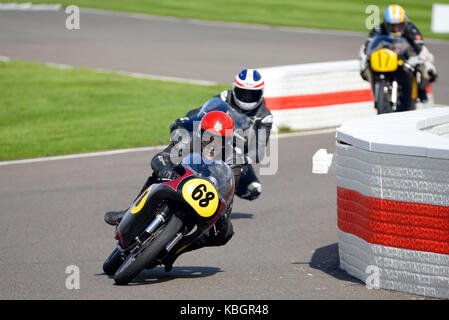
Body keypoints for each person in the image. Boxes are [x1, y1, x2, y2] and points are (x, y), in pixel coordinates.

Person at [170, 68, 273, 201]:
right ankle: (172, 176)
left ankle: (220, 204)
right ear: (235, 89)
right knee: (181, 142)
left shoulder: (264, 116)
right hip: (213, 140)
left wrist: (245, 159)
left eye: (251, 94)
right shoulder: (225, 97)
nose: (247, 97)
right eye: (243, 93)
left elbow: (259, 149)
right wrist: (188, 120)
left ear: (260, 93)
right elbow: (203, 112)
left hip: (237, 153)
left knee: (253, 189)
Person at [359, 4, 437, 103]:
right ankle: (376, 94)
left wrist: (417, 59)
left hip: (407, 58)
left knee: (428, 69)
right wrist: (365, 58)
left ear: (404, 22)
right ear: (386, 23)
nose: (395, 28)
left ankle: (421, 91)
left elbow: (420, 48)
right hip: (387, 59)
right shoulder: (379, 28)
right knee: (365, 68)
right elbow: (368, 45)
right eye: (392, 25)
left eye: (398, 25)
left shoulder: (410, 29)